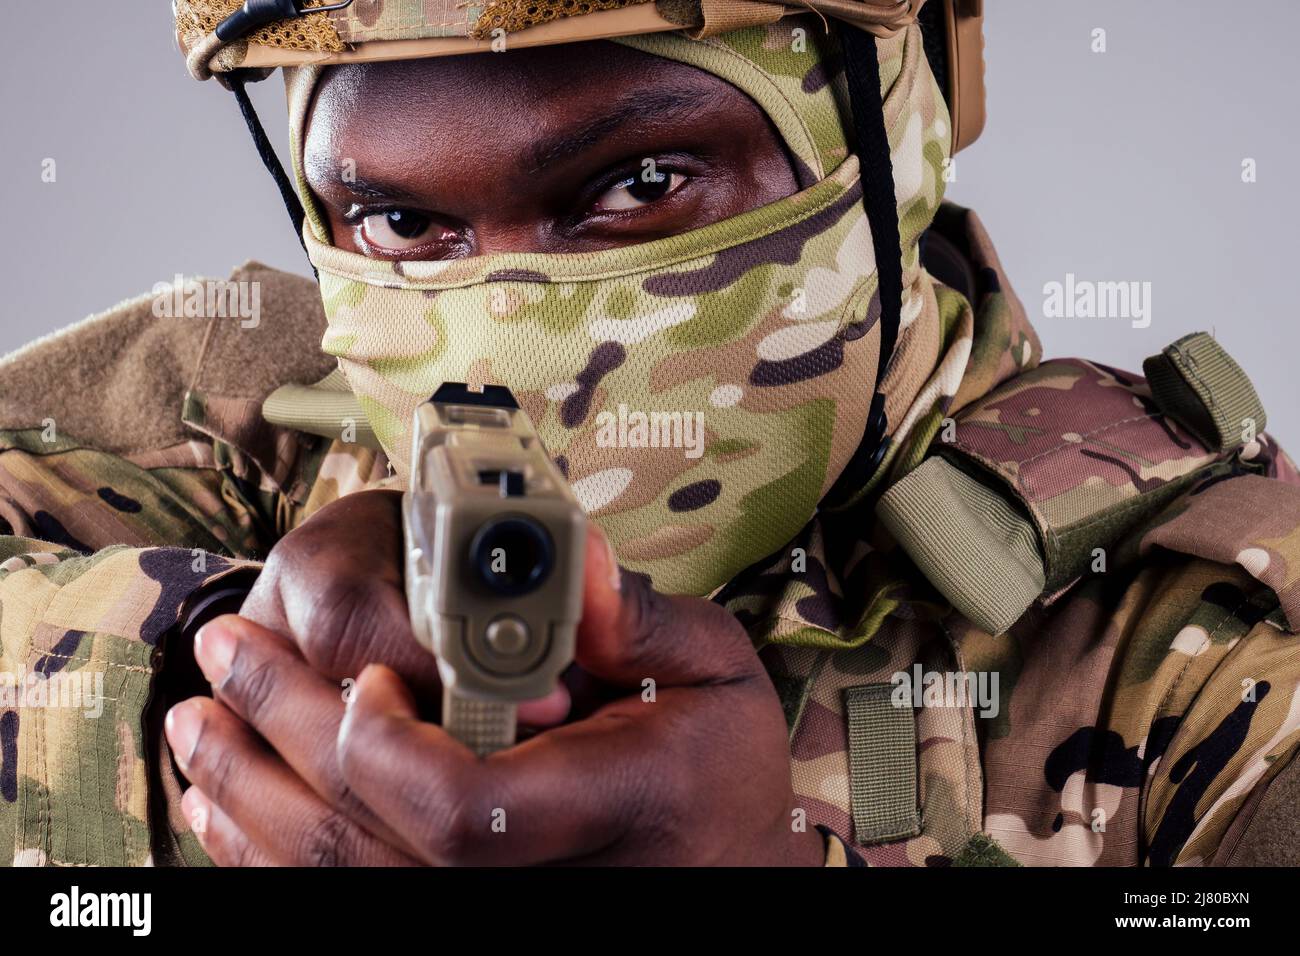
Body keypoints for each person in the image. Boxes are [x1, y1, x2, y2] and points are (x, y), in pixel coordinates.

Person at [1, 0, 1297, 867]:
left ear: (888, 137)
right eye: (402, 227)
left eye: (638, 187)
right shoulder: (239, 431)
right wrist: (215, 693)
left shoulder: (1201, 651)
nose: (499, 346)